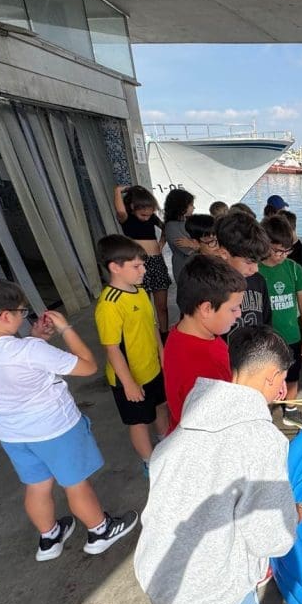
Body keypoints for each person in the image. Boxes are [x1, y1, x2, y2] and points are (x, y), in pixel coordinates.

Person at [133, 327, 302, 604]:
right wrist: (289, 518)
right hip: (209, 581)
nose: (282, 389)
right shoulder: (262, 441)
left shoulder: (198, 409)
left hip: (160, 568)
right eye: (281, 380)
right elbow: (272, 540)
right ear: (271, 379)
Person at [0, 273, 137, 561]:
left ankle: (50, 538)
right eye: (20, 312)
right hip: (56, 429)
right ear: (4, 316)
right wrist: (66, 329)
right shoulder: (29, 351)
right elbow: (88, 367)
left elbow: (6, 361)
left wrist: (33, 339)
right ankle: (99, 530)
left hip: (13, 433)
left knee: (37, 486)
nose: (23, 317)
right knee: (75, 484)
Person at [94, 235, 169, 472]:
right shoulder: (110, 304)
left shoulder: (140, 292)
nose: (143, 270)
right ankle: (150, 462)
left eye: (143, 264)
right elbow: (112, 348)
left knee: (160, 406)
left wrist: (162, 355)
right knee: (138, 421)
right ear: (115, 267)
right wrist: (128, 383)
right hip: (129, 377)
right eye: (136, 266)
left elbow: (153, 326)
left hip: (152, 367)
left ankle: (167, 446)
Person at [163, 255, 245, 432]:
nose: (239, 314)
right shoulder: (202, 366)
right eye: (233, 308)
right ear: (206, 308)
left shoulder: (185, 333)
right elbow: (221, 421)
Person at [259, 214, 302, 429]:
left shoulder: (294, 269)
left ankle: (290, 409)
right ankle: (262, 415)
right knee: (266, 379)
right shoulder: (255, 270)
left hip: (292, 336)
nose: (282, 256)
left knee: (292, 376)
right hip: (266, 339)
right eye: (277, 250)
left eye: (286, 251)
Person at [113, 185, 172, 338]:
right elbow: (120, 210)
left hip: (157, 261)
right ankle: (149, 334)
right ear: (132, 207)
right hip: (138, 264)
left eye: (149, 214)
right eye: (143, 214)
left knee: (162, 306)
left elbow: (166, 227)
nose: (147, 217)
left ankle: (164, 334)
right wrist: (118, 190)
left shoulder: (152, 217)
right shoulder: (126, 218)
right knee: (143, 305)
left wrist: (161, 243)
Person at [216, 212, 272, 333]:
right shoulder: (210, 287)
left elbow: (267, 321)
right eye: (249, 262)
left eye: (258, 262)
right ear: (224, 254)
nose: (256, 269)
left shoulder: (258, 281)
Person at [161, 188, 196, 284]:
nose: (194, 208)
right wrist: (198, 245)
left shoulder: (188, 222)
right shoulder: (171, 226)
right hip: (185, 270)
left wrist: (195, 244)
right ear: (181, 206)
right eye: (191, 205)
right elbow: (188, 250)